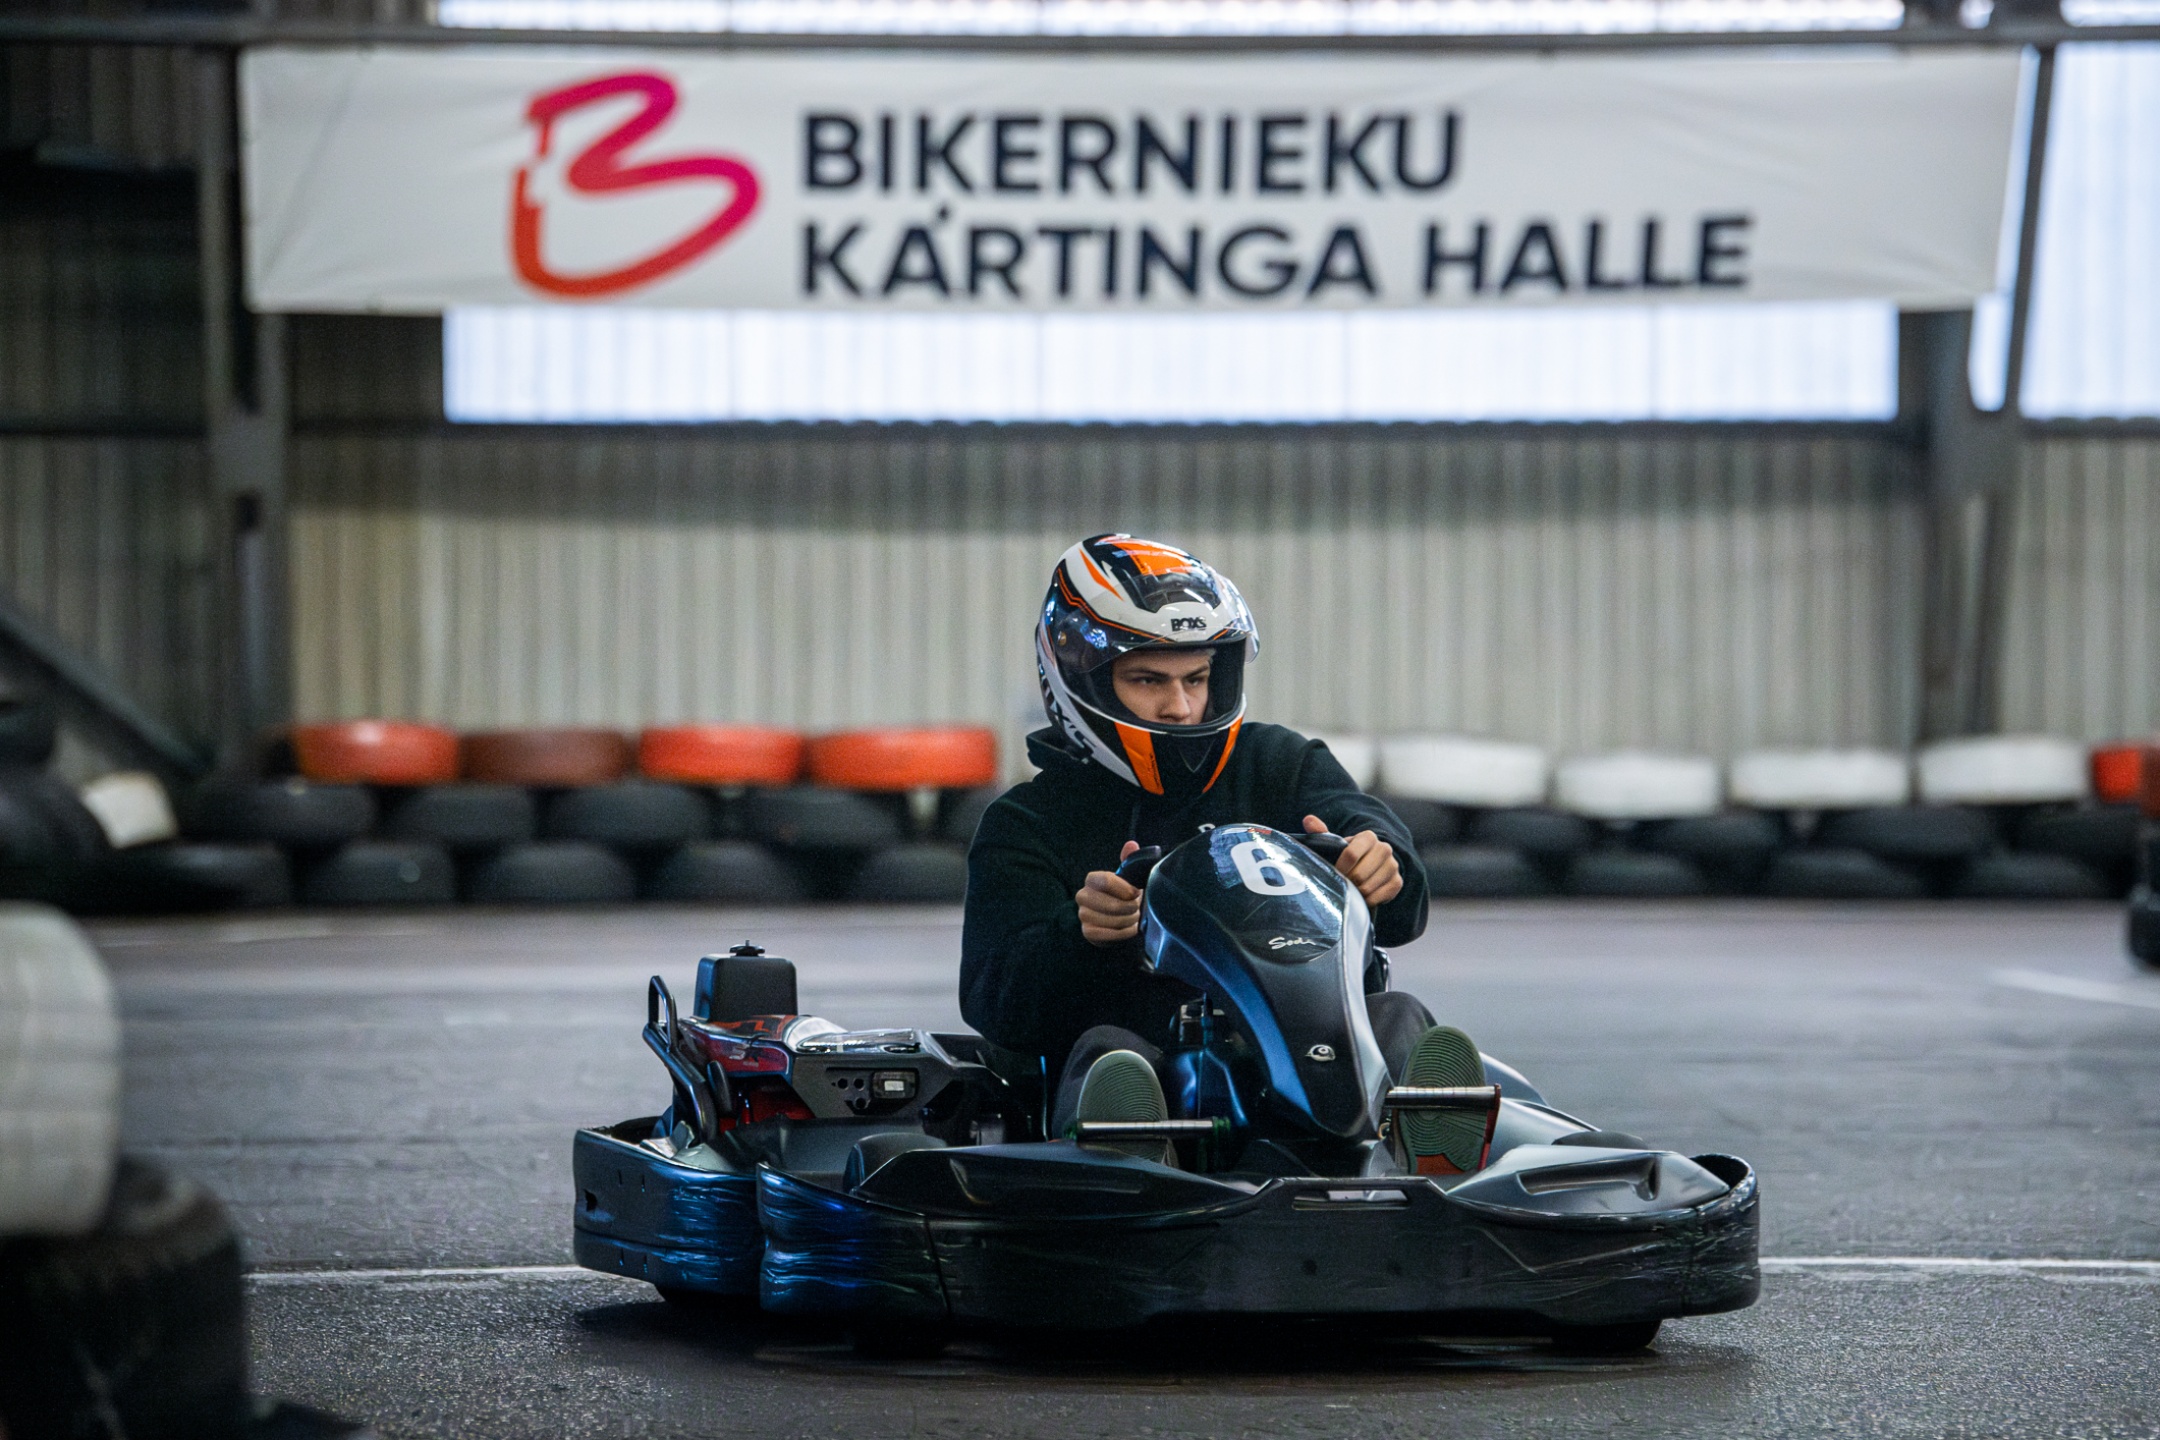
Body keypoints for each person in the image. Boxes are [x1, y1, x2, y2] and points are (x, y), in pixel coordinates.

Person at [959, 533, 1491, 1174]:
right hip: (1161, 1083)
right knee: (1108, 1052)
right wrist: (1080, 935)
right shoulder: (1028, 822)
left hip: (1313, 1055)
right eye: (1148, 680)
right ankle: (1132, 1167)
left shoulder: (1279, 764)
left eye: (1198, 679)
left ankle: (1432, 1160)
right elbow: (994, 1005)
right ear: (1082, 682)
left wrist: (1381, 866)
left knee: (1399, 1016)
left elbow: (1392, 884)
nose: (1182, 708)